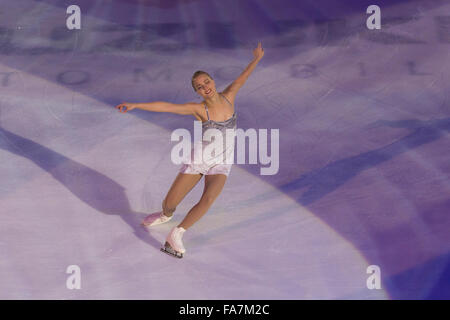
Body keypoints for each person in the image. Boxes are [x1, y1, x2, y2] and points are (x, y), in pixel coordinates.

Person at [115, 42, 264, 258]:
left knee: (209, 198)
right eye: (200, 87)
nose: (206, 87)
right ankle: (166, 215)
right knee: (170, 204)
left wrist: (257, 58)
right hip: (200, 159)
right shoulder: (198, 109)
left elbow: (244, 76)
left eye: (207, 82)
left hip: (222, 161)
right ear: (198, 92)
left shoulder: (229, 96)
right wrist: (136, 105)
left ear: (213, 81)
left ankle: (177, 234)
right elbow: (166, 106)